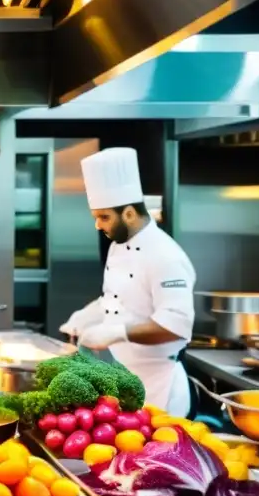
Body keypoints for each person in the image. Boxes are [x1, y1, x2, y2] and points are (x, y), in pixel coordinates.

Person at [60, 147, 196, 416]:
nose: (98, 225)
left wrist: (117, 332)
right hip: (124, 379)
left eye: (104, 217)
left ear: (130, 214)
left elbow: (176, 325)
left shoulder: (166, 256)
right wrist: (89, 315)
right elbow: (118, 297)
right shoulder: (119, 244)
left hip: (158, 387)